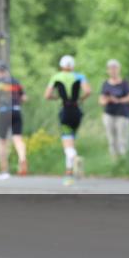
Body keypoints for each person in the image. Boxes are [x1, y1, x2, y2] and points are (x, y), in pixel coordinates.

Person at [45, 55, 91, 185]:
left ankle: (75, 158)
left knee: (67, 144)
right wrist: (80, 99)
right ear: (72, 66)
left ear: (61, 66)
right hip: (77, 111)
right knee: (71, 142)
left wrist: (57, 98)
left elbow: (47, 95)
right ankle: (69, 173)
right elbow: (88, 91)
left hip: (65, 111)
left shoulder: (57, 77)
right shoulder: (79, 76)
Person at [0, 62, 28, 178]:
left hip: (4, 111)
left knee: (2, 141)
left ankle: (4, 170)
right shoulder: (15, 81)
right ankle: (22, 158)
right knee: (18, 138)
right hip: (16, 111)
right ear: (6, 70)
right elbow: (24, 98)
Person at [99, 59, 129, 159]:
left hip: (122, 114)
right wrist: (107, 100)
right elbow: (101, 100)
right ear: (108, 70)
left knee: (122, 139)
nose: (113, 70)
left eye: (115, 68)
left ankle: (124, 159)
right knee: (111, 139)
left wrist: (118, 100)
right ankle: (114, 159)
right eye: (111, 69)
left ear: (119, 69)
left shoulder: (125, 83)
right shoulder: (105, 84)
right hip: (109, 113)